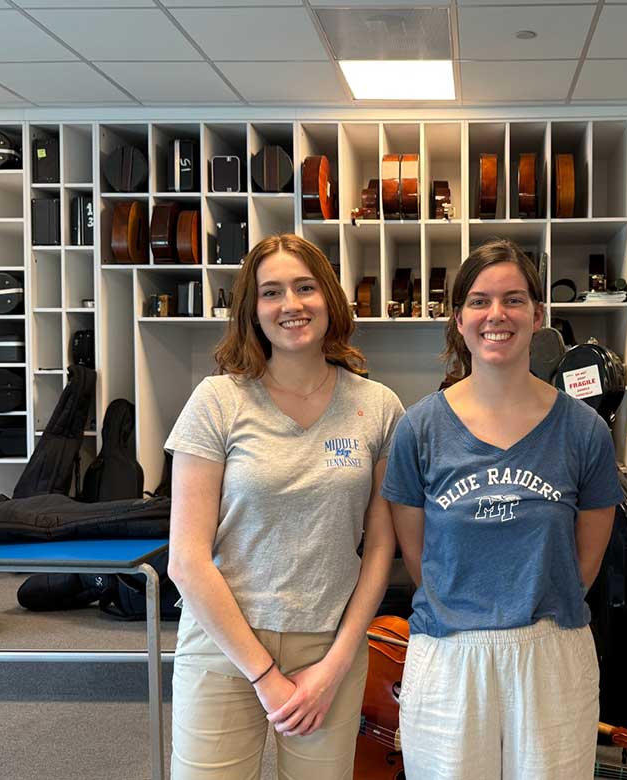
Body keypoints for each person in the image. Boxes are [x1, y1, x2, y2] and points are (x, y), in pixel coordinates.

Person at [165, 233, 404, 780]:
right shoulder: (216, 401)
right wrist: (264, 675)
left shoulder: (378, 407)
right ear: (252, 309)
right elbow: (186, 559)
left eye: (305, 287)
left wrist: (339, 662)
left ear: (330, 299)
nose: (291, 305)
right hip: (223, 644)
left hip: (330, 648)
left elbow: (381, 547)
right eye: (271, 292)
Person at [381, 239, 623, 780]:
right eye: (480, 301)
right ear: (459, 318)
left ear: (539, 315)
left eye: (514, 300)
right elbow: (418, 559)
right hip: (448, 655)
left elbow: (584, 563)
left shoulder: (583, 430)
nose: (497, 315)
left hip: (551, 652)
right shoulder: (419, 429)